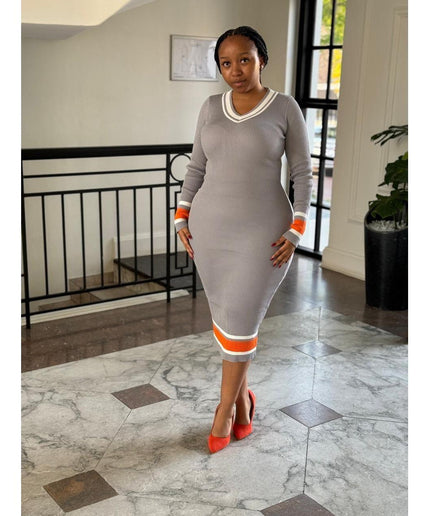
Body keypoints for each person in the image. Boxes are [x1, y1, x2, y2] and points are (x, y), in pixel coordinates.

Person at [174, 26, 312, 453]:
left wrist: (298, 227)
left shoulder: (284, 107)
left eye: (245, 59)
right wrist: (181, 214)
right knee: (232, 321)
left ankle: (223, 410)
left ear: (261, 60)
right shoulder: (210, 107)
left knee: (241, 319)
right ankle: (243, 404)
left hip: (264, 235)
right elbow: (196, 167)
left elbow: (302, 172)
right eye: (226, 63)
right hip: (210, 232)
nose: (235, 70)